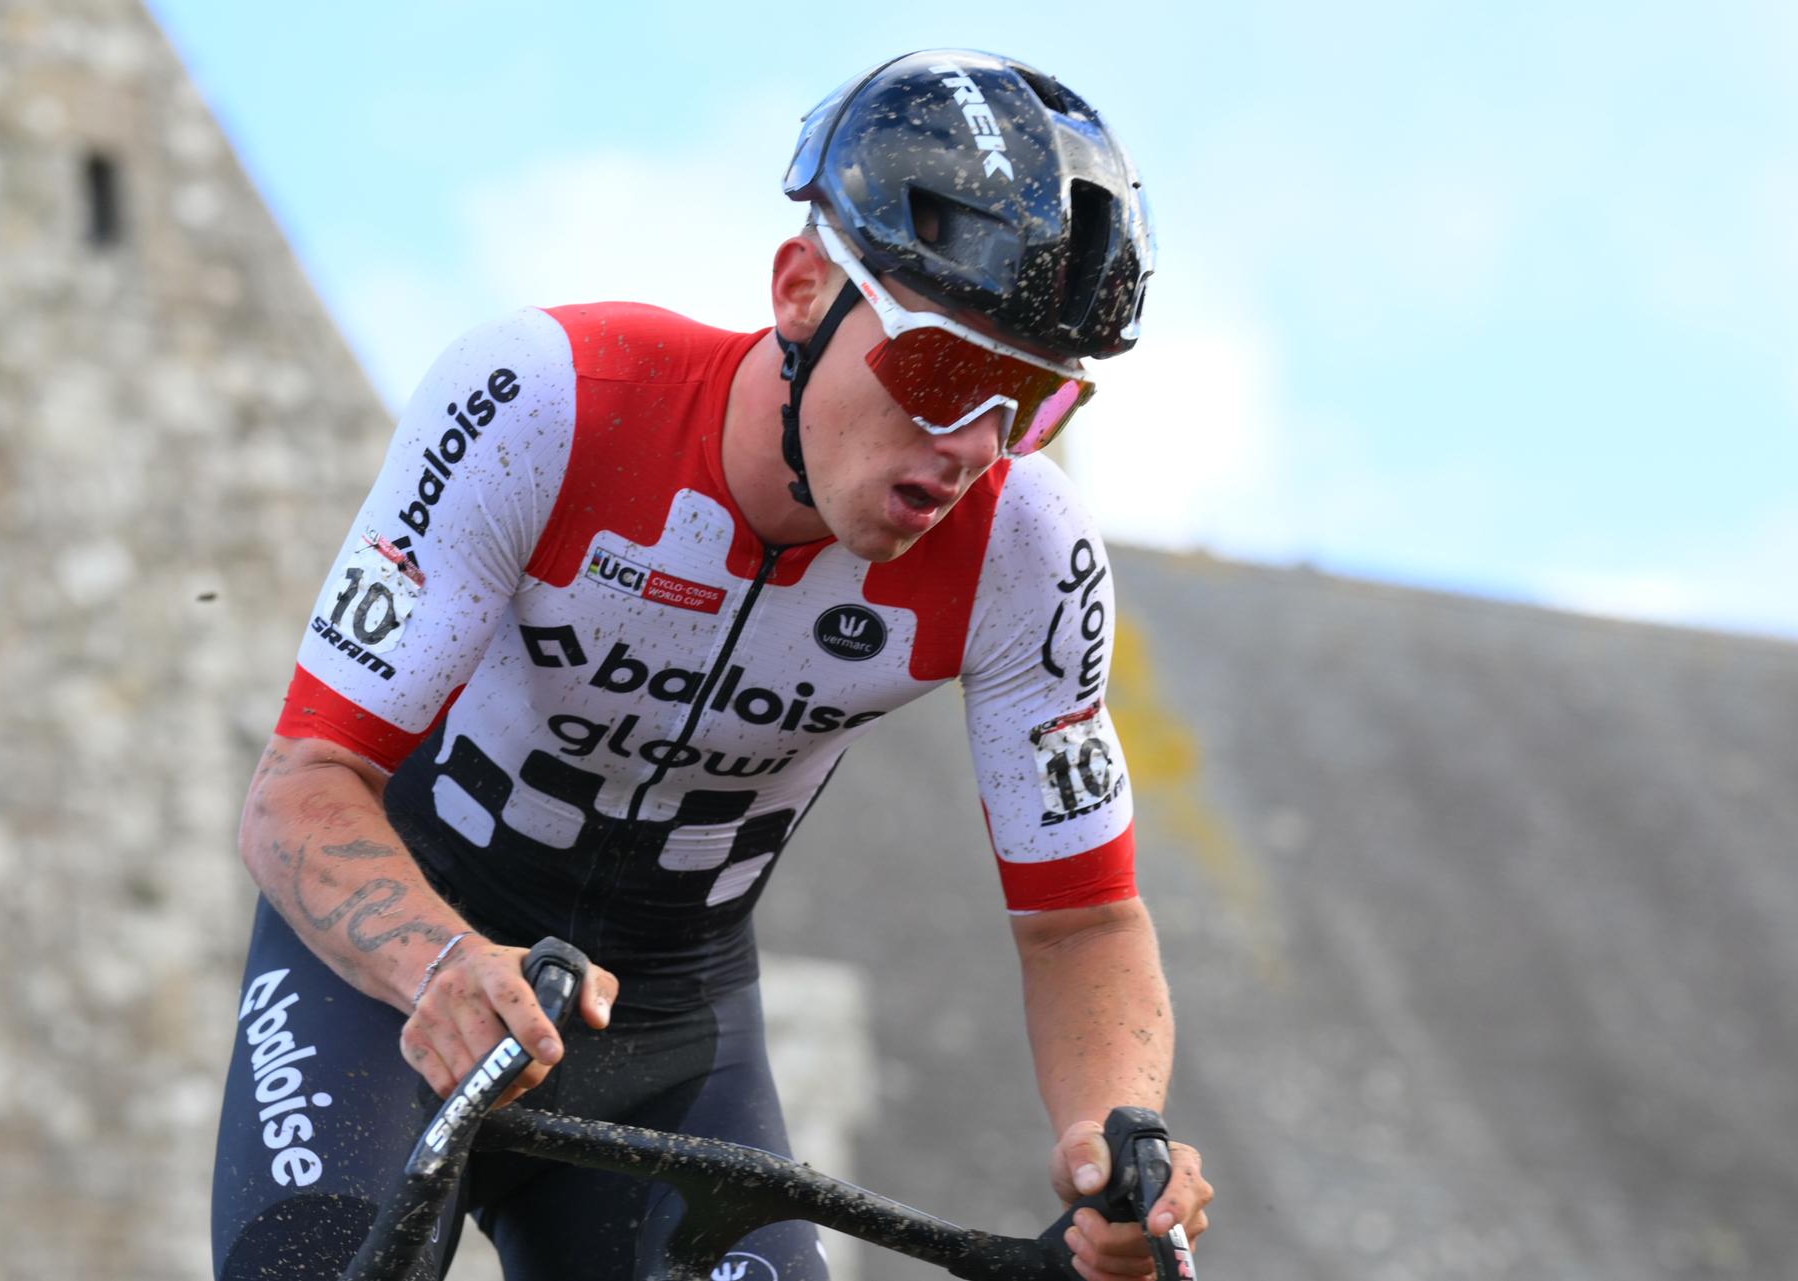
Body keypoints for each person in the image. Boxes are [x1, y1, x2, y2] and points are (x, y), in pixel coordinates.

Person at [211, 48, 1213, 1281]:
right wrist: (439, 963)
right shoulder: (547, 401)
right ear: (802, 289)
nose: (972, 447)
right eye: (944, 369)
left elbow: (1083, 920)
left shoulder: (1026, 557)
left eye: (1032, 401)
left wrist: (1114, 1140)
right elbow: (298, 789)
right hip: (394, 979)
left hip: (672, 1029)